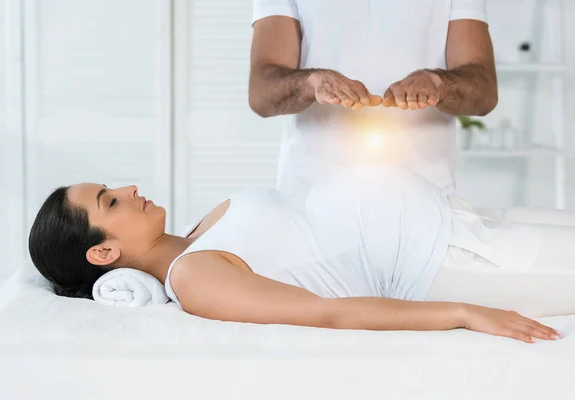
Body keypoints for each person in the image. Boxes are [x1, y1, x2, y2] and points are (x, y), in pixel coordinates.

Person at [29, 165, 574, 344]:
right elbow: (326, 312)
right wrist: (464, 312)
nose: (128, 189)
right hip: (454, 260)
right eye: (111, 201)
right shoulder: (195, 277)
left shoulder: (199, 233)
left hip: (463, 219)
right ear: (103, 251)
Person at [248, 0, 498, 197]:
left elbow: (484, 92)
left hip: (426, 201)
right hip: (310, 199)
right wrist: (311, 82)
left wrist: (438, 84)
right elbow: (262, 93)